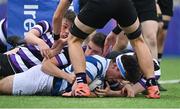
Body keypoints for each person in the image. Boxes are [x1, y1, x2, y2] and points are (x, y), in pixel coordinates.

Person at [52, 0, 160, 98]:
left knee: (74, 40)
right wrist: (115, 31)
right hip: (124, 3)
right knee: (138, 41)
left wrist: (56, 39)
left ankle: (81, 85)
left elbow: (57, 16)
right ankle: (152, 86)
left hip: (101, 3)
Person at [0, 10, 76, 77]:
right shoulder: (46, 26)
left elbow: (46, 65)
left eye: (71, 30)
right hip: (11, 59)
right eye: (65, 27)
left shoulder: (67, 50)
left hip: (21, 75)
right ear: (57, 23)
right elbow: (28, 36)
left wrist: (58, 47)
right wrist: (41, 42)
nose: (67, 32)